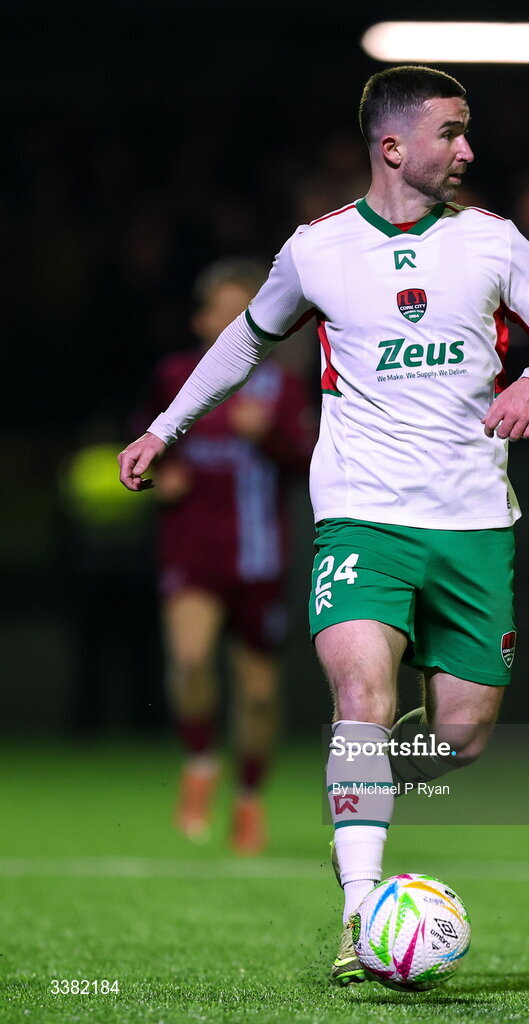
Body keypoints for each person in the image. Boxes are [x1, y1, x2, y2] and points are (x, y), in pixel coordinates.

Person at [118, 66, 529, 981]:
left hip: (473, 522)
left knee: (457, 737)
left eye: (466, 133)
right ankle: (357, 910)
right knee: (361, 705)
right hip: (361, 517)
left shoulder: (495, 242)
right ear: (393, 146)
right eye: (452, 133)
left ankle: (359, 779)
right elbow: (247, 340)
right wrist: (165, 427)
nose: (467, 149)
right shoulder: (318, 250)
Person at [148, 259, 314, 853]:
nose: (231, 318)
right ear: (201, 317)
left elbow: (306, 464)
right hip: (193, 551)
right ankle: (199, 765)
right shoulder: (174, 376)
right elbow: (148, 445)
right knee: (190, 661)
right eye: (222, 307)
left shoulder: (284, 387)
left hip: (260, 558)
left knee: (261, 694)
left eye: (243, 307)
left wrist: (266, 435)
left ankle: (247, 800)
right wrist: (160, 477)